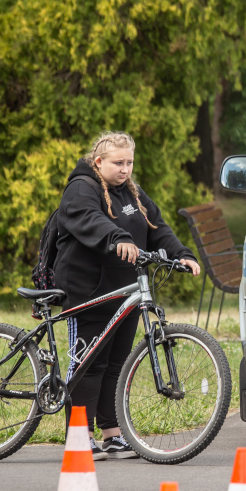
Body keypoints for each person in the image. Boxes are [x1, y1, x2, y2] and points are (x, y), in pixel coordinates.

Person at [52, 131, 201, 458]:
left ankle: (112, 434)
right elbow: (89, 219)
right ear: (99, 161)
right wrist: (118, 237)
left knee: (116, 364)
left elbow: (157, 228)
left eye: (129, 162)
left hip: (126, 289)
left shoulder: (132, 192)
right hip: (87, 290)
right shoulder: (81, 188)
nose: (125, 169)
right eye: (118, 163)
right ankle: (78, 436)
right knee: (89, 364)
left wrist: (182, 254)